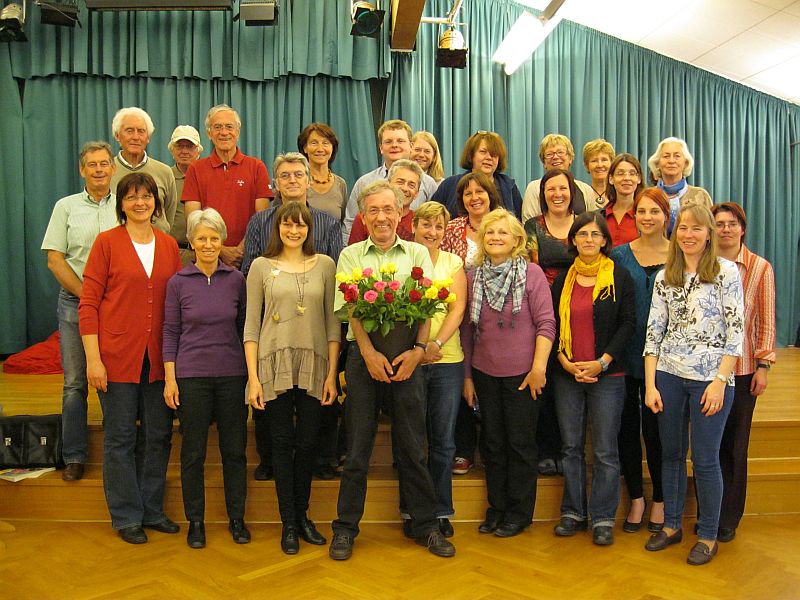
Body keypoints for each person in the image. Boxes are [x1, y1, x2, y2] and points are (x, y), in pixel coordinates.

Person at [329, 180, 455, 561]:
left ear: (401, 213)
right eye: (374, 210)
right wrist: (367, 353)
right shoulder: (350, 255)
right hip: (364, 358)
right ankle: (345, 529)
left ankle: (426, 526)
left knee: (413, 447)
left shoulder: (417, 252)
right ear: (363, 216)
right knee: (357, 449)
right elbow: (352, 311)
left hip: (408, 359)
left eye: (388, 209)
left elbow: (428, 308)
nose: (381, 217)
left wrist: (418, 352)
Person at [78, 172, 182, 544]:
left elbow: (175, 304)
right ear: (121, 204)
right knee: (120, 437)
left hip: (158, 359)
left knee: (158, 436)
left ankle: (151, 510)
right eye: (132, 197)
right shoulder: (106, 243)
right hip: (116, 357)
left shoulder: (169, 245)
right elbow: (88, 305)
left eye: (147, 196)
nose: (140, 203)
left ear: (156, 202)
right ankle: (126, 516)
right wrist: (93, 360)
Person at [643, 204, 743, 566]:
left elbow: (736, 333)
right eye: (683, 228)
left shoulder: (726, 273)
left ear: (709, 235)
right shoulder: (664, 277)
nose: (689, 235)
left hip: (711, 380)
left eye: (697, 228)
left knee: (704, 458)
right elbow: (653, 333)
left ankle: (708, 534)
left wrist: (719, 382)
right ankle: (671, 526)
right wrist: (651, 385)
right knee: (671, 454)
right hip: (668, 375)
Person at [244, 201, 340, 555]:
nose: (294, 231)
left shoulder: (326, 265)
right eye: (288, 224)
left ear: (309, 229)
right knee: (281, 445)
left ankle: (303, 516)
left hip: (315, 365)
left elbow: (333, 324)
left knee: (308, 443)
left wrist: (332, 374)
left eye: (300, 225)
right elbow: (251, 326)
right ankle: (288, 523)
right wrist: (254, 378)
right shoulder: (260, 266)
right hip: (273, 365)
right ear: (278, 228)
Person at [241, 152, 343, 481]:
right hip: (273, 322)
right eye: (285, 175)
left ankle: (322, 460)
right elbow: (249, 270)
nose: (292, 180)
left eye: (299, 174)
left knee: (320, 400)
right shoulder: (260, 222)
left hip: (315, 322)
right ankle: (270, 460)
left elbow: (335, 275)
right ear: (276, 183)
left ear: (309, 181)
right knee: (271, 402)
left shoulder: (328, 222)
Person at [461, 208, 555, 537]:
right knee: (492, 444)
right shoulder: (472, 276)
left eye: (503, 232)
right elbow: (467, 331)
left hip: (524, 376)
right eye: (490, 232)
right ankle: (497, 508)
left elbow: (546, 324)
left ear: (516, 240)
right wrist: (467, 377)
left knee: (520, 444)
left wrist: (539, 368)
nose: (496, 237)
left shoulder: (532, 273)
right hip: (484, 373)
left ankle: (519, 513)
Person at [162, 208, 250, 549]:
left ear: (222, 240)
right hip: (191, 377)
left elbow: (245, 330)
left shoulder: (237, 280)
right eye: (202, 238)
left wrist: (251, 376)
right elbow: (170, 332)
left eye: (214, 238)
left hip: (232, 376)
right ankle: (195, 522)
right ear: (192, 242)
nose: (209, 244)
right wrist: (171, 379)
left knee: (235, 452)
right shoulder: (178, 283)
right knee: (193, 454)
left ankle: (237, 519)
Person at [551, 211, 635, 546]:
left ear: (604, 240)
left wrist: (602, 362)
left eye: (595, 234)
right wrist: (563, 360)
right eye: (582, 234)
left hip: (608, 375)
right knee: (571, 447)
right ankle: (573, 512)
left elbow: (628, 324)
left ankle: (602, 518)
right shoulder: (563, 280)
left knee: (604, 450)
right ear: (573, 239)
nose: (588, 240)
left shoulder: (619, 276)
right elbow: (552, 324)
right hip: (567, 374)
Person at [41, 141, 119, 482]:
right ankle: (74, 455)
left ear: (113, 168)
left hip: (117, 304)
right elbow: (55, 259)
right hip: (75, 301)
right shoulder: (66, 207)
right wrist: (87, 295)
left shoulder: (125, 204)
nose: (99, 169)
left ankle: (118, 450)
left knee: (113, 380)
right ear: (82, 170)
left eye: (104, 163)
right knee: (75, 382)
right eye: (92, 164)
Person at [713, 202, 775, 543]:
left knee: (735, 446)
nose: (725, 229)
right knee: (709, 446)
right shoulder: (702, 263)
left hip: (743, 369)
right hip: (706, 371)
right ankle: (709, 510)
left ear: (743, 229)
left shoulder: (759, 268)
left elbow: (765, 321)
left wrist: (763, 366)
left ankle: (728, 517)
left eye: (731, 224)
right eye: (719, 223)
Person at [609, 188, 670, 533]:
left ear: (666, 216)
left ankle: (660, 498)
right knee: (627, 430)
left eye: (654, 211)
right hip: (625, 355)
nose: (647, 217)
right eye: (642, 211)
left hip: (666, 361)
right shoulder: (619, 255)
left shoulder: (680, 254)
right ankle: (636, 498)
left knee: (657, 432)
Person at [410, 201, 467, 537]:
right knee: (412, 441)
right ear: (414, 226)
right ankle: (413, 511)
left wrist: (436, 343)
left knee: (444, 442)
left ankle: (441, 510)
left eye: (439, 227)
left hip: (448, 360)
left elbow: (457, 309)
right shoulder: (403, 260)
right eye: (426, 225)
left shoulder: (452, 262)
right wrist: (419, 349)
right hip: (411, 360)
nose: (432, 232)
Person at [440, 172, 501, 476]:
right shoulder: (452, 228)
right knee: (461, 377)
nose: (474, 198)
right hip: (458, 315)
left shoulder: (503, 224)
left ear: (491, 195)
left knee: (489, 380)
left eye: (480, 191)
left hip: (496, 318)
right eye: (468, 193)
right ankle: (463, 449)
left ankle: (492, 448)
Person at [183, 104, 273, 269]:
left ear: (238, 132)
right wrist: (221, 250)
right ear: (209, 133)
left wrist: (241, 250)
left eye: (229, 127)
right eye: (217, 127)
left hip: (249, 258)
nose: (224, 132)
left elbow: (263, 218)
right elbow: (193, 220)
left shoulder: (257, 167)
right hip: (208, 259)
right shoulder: (195, 169)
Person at [343, 119, 439, 243]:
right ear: (381, 148)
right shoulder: (364, 183)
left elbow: (434, 224)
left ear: (411, 146)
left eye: (400, 141)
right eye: (388, 141)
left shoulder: (428, 183)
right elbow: (349, 225)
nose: (394, 145)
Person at [110, 107, 177, 234]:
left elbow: (168, 214)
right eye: (129, 131)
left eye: (141, 131)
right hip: (117, 243)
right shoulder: (107, 171)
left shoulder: (164, 172)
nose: (136, 137)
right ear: (117, 135)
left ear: (148, 137)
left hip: (157, 242)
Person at [431, 131, 522, 219]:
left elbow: (518, 224)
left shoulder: (509, 187)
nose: (489, 158)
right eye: (483, 152)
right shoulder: (450, 184)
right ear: (471, 155)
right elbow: (431, 217)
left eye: (494, 154)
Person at [521, 134, 598, 222]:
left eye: (560, 152)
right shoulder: (534, 188)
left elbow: (593, 223)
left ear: (570, 158)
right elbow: (528, 224)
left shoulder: (586, 190)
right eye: (549, 154)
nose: (555, 157)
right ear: (544, 163)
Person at [646, 137, 713, 235]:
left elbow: (711, 231)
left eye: (677, 156)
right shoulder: (648, 196)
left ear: (686, 163)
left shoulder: (700, 195)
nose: (671, 161)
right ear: (657, 163)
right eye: (666, 156)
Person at [349, 159, 422, 244]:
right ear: (388, 184)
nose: (405, 188)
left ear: (416, 193)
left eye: (411, 185)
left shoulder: (420, 221)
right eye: (400, 182)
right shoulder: (366, 217)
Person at [525, 169, 578, 285]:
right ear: (543, 194)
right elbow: (531, 270)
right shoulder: (532, 226)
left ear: (571, 192)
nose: (558, 194)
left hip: (578, 291)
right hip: (542, 291)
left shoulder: (583, 225)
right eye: (551, 189)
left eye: (563, 188)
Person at [167, 125, 203, 265]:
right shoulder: (165, 177)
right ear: (172, 150)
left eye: (189, 147)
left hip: (205, 251)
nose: (184, 151)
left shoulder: (207, 177)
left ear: (198, 150)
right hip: (174, 251)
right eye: (180, 146)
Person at [297, 122, 348, 221]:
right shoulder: (296, 181)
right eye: (314, 143)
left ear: (332, 148)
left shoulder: (340, 184)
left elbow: (344, 223)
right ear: (305, 148)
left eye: (325, 143)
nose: (320, 149)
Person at [604, 154, 645, 248]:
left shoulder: (644, 216)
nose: (627, 178)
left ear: (639, 179)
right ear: (611, 179)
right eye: (620, 173)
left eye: (632, 173)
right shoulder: (600, 216)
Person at [582, 139, 615, 209]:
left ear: (612, 163)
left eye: (604, 160)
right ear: (586, 166)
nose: (600, 165)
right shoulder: (582, 195)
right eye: (594, 161)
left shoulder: (619, 193)